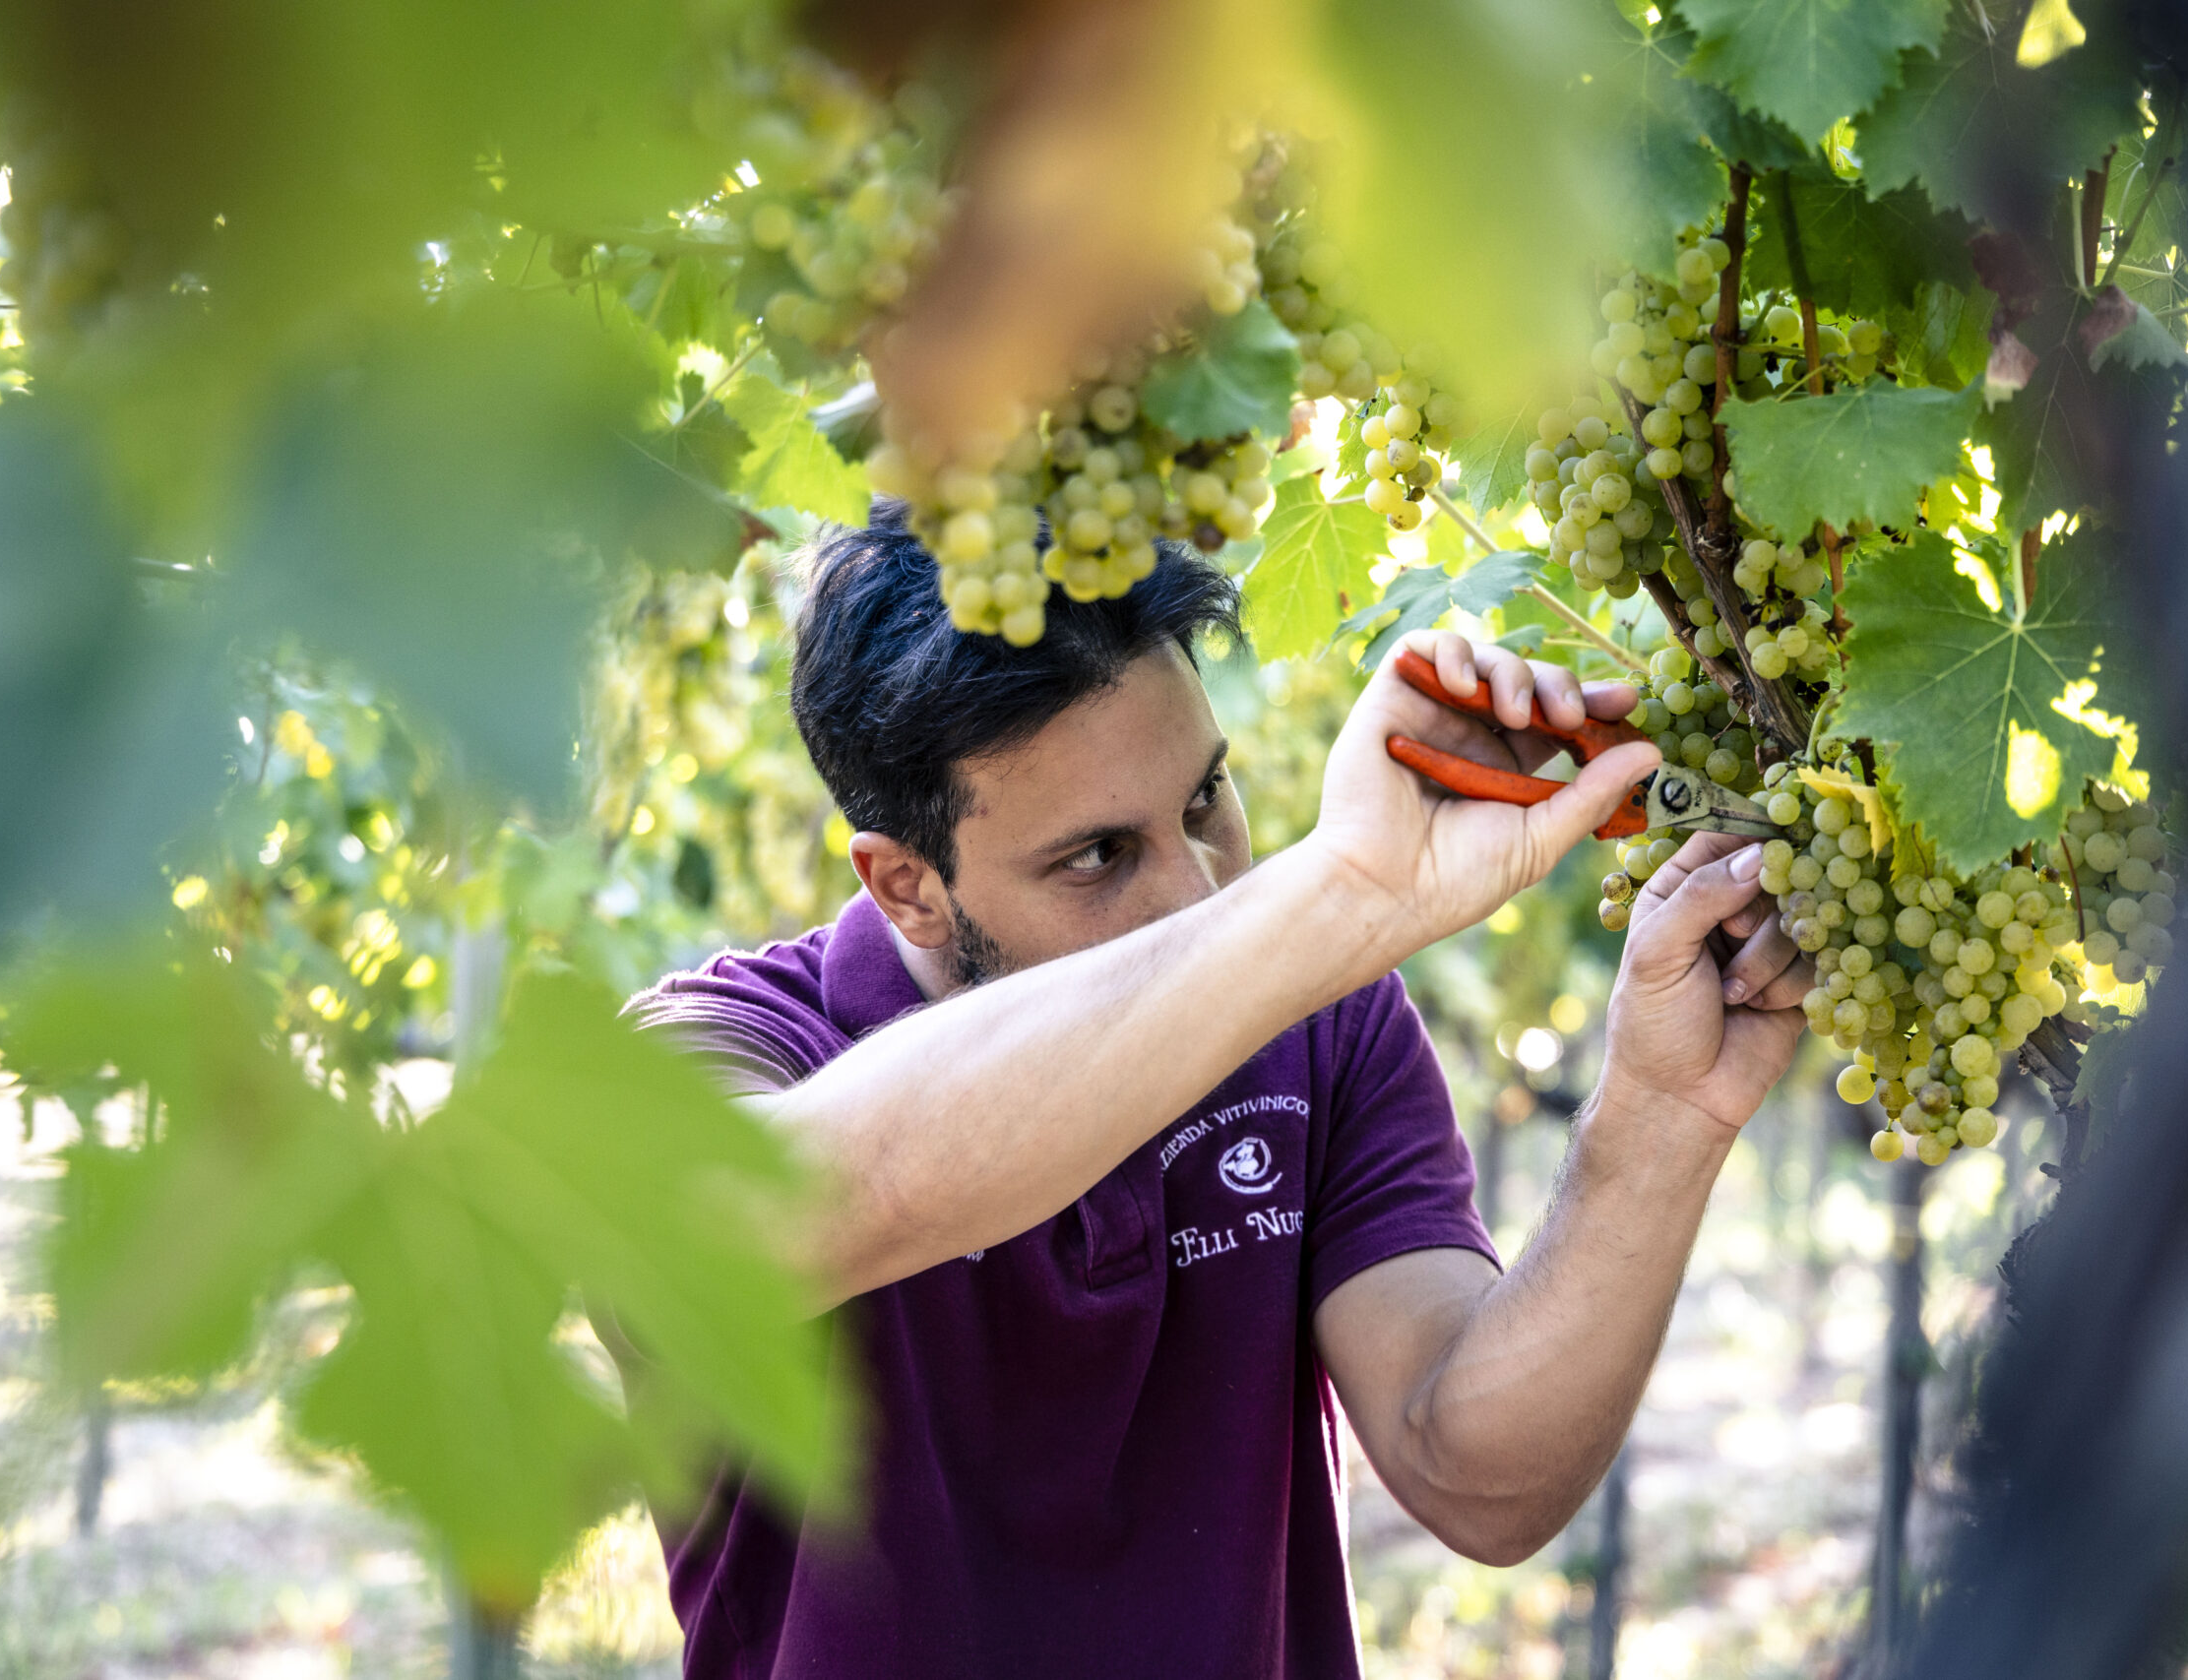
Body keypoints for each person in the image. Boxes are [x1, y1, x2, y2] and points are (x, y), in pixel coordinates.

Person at [627, 500, 1811, 1678]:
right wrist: (1340, 894)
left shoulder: (1324, 1023)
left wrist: (1660, 1115)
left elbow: (1478, 1480)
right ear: (908, 887)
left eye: (1204, 802)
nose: (1199, 894)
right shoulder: (712, 1051)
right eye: (1097, 856)